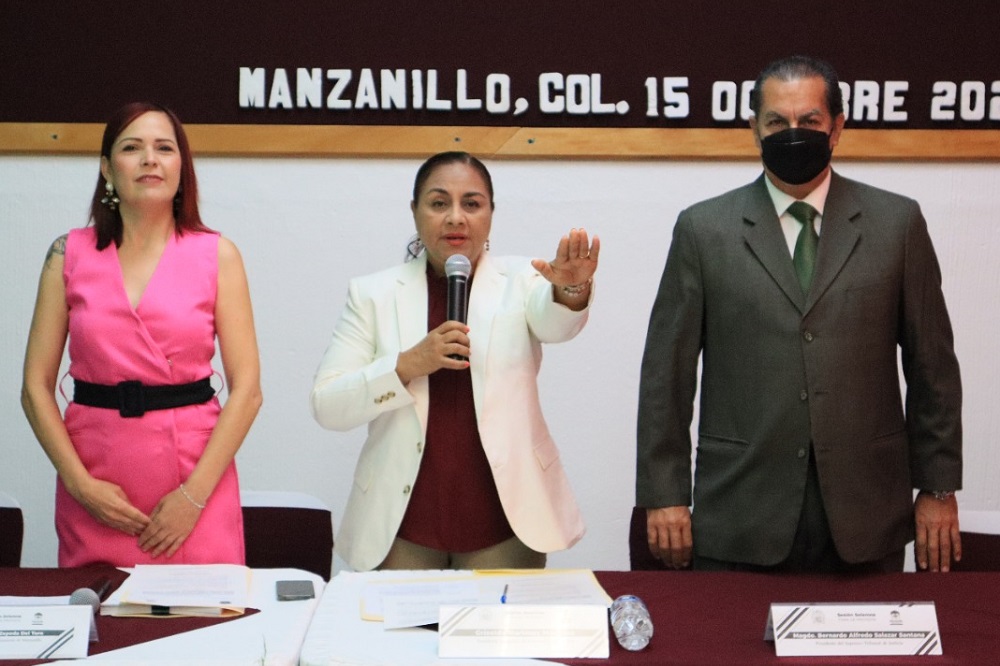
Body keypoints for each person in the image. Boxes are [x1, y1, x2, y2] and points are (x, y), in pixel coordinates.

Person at [637, 55, 962, 574]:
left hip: (868, 515)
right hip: (740, 512)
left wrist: (938, 487)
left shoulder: (896, 223)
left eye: (809, 120)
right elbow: (666, 374)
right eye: (776, 122)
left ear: (837, 127)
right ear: (754, 129)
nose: (793, 133)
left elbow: (933, 369)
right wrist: (664, 493)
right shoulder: (703, 230)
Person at [311, 151, 599, 572]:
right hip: (402, 523)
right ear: (415, 211)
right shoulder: (373, 294)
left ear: (491, 214)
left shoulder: (523, 280)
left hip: (503, 519)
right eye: (438, 202)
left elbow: (555, 324)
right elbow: (328, 404)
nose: (455, 218)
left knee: (500, 618)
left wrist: (570, 291)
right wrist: (407, 365)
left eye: (472, 203)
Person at [21, 102, 262, 567]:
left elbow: (248, 390)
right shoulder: (66, 254)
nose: (150, 159)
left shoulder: (218, 255)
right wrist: (80, 485)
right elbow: (34, 387)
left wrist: (191, 499)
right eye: (132, 148)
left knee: (202, 607)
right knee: (101, 608)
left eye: (164, 148)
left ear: (182, 167)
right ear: (107, 168)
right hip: (96, 479)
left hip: (194, 482)